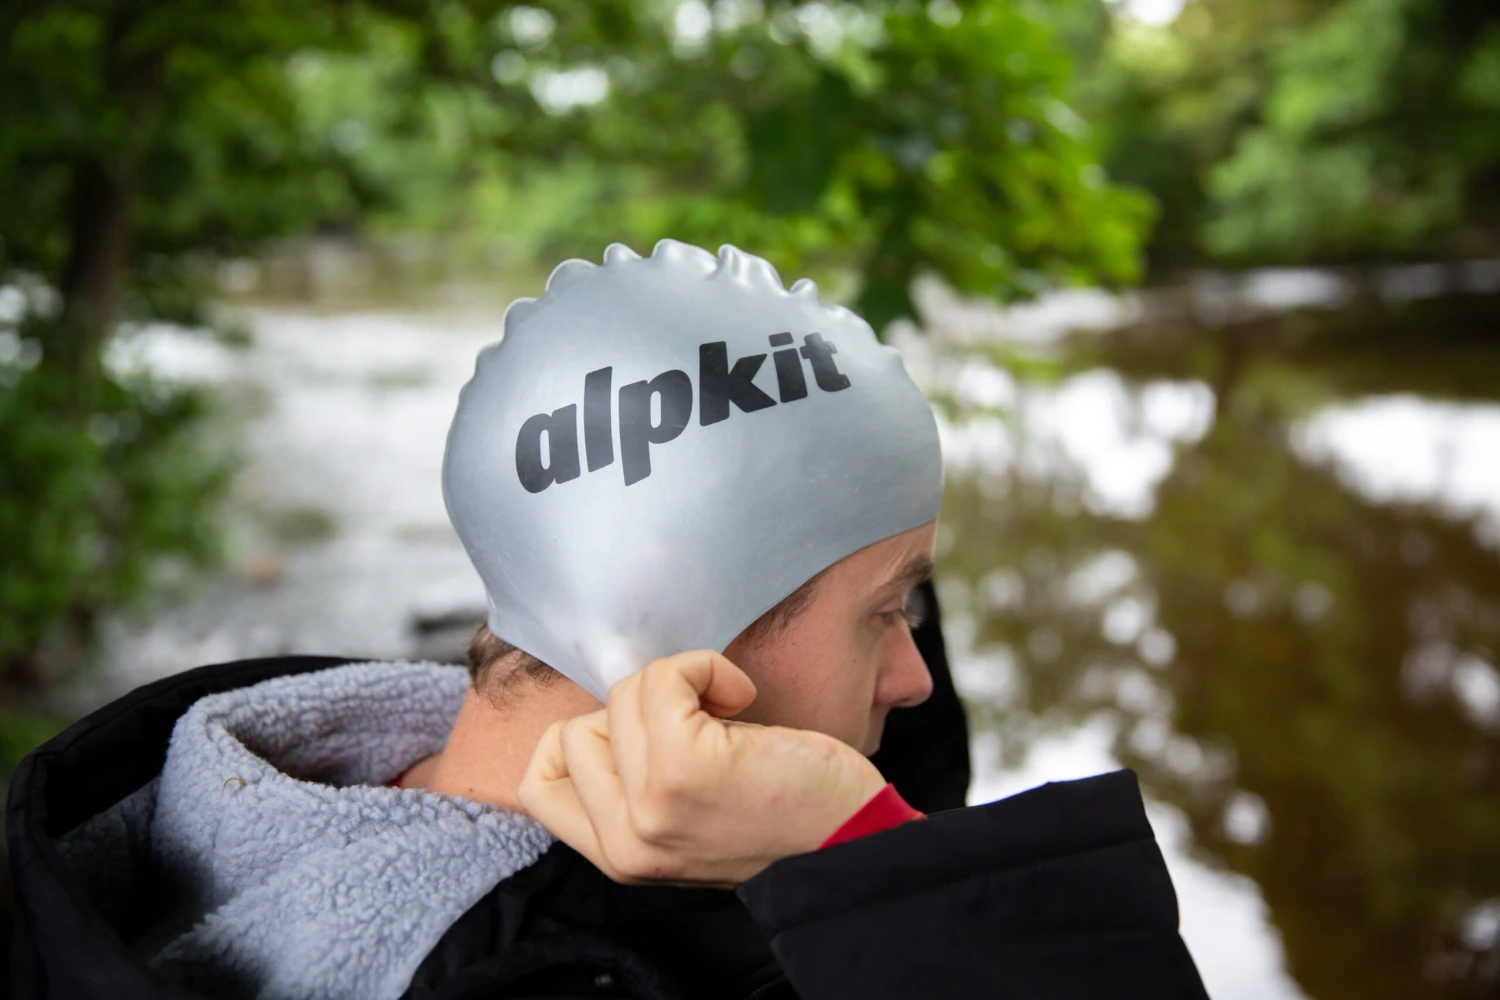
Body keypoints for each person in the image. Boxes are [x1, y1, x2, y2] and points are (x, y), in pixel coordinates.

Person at [7, 242, 1209, 1000]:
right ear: (670, 612)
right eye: (889, 610)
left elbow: (877, 723)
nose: (915, 677)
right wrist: (861, 849)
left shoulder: (202, 799)